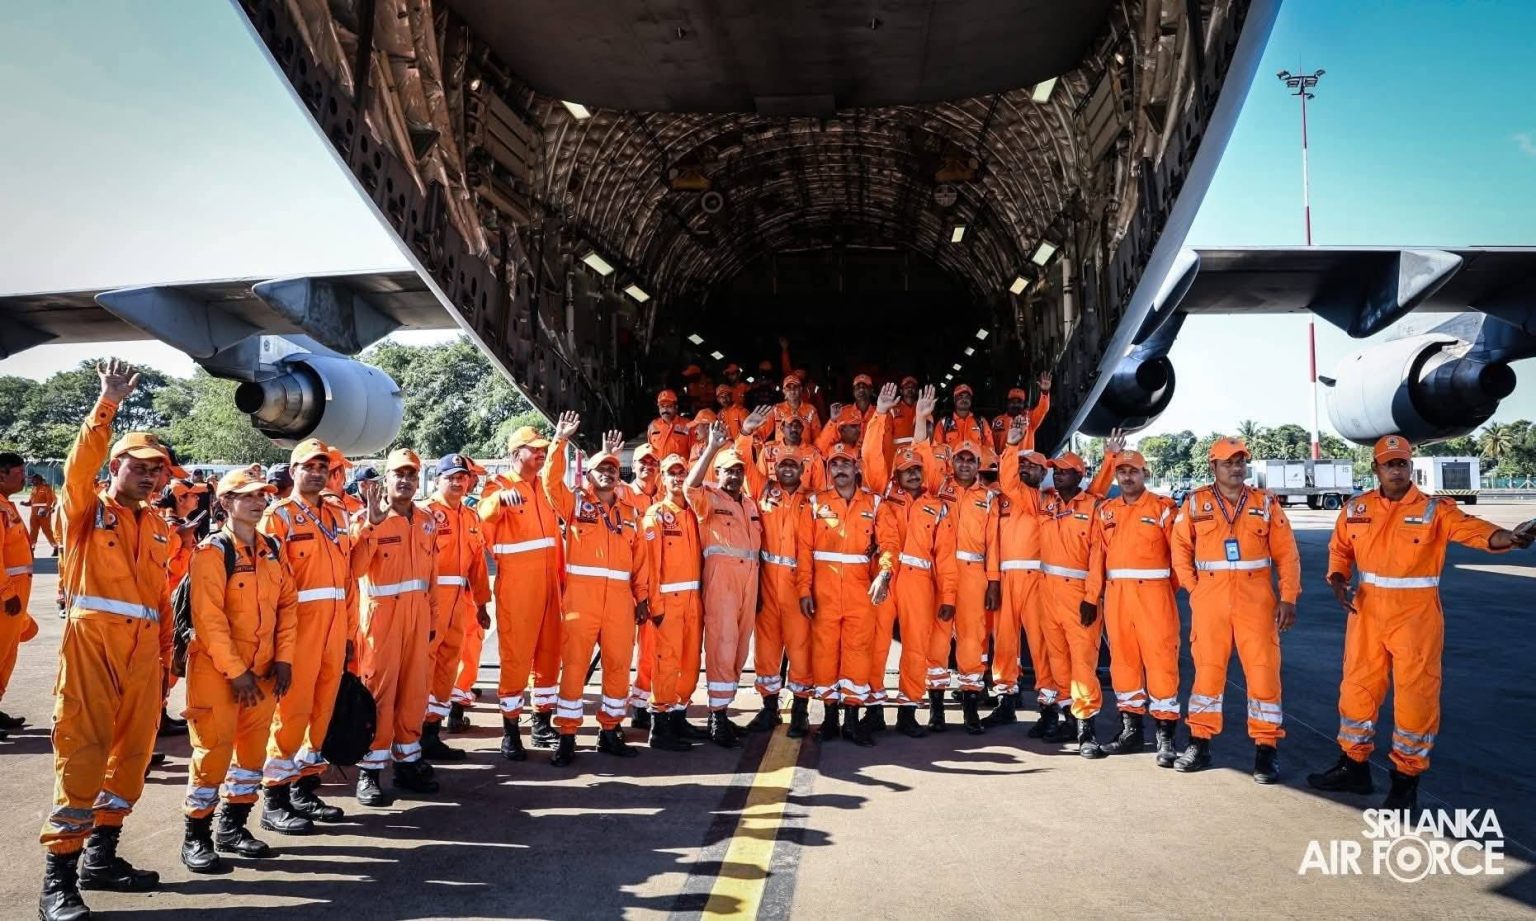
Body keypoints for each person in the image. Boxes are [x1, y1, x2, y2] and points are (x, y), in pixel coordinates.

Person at [1307, 435, 1534, 809]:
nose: (1396, 471)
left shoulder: (1435, 510)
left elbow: (1476, 531)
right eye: (1389, 464)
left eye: (1402, 463)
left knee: (1416, 697)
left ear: (1410, 467)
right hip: (1366, 614)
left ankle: (1405, 781)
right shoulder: (1356, 508)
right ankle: (1353, 767)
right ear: (1376, 468)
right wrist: (1337, 578)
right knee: (1357, 690)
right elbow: (1340, 550)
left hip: (1416, 617)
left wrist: (1509, 537)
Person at [39, 361, 173, 921]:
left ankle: (101, 856)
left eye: (157, 470)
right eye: (139, 467)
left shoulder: (158, 525)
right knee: (84, 752)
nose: (150, 476)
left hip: (143, 657)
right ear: (115, 466)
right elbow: (78, 469)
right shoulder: (86, 511)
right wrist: (107, 405)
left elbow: (160, 600)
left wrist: (165, 663)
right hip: (92, 647)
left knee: (133, 756)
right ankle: (59, 878)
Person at [178, 469, 297, 873]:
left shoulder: (271, 549)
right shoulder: (213, 552)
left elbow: (288, 607)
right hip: (218, 672)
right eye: (247, 496)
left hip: (262, 671)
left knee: (251, 753)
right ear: (225, 502)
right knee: (213, 752)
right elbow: (209, 619)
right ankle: (196, 835)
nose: (259, 501)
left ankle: (233, 826)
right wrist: (236, 671)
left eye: (262, 495)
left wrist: (284, 658)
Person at [1170, 436, 1300, 782]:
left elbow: (1287, 554)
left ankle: (1266, 749)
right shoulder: (1195, 503)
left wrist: (1288, 597)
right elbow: (1180, 549)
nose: (1236, 468)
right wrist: (1194, 589)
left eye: (1240, 461)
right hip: (1210, 598)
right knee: (1207, 672)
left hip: (1256, 599)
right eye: (1228, 462)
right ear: (1213, 466)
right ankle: (1199, 742)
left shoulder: (1265, 503)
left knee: (1263, 673)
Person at [542, 413, 650, 766]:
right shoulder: (576, 504)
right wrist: (559, 441)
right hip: (582, 601)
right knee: (574, 667)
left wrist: (642, 597)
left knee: (618, 667)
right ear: (589, 476)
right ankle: (567, 735)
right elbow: (550, 483)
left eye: (613, 469)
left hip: (620, 602)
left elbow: (641, 560)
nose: (608, 473)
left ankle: (610, 731)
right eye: (601, 469)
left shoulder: (631, 513)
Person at [259, 438, 353, 830]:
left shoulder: (337, 514)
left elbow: (348, 576)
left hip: (334, 628)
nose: (316, 473)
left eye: (322, 467)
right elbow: (267, 583)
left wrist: (349, 632)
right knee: (291, 712)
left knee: (321, 710)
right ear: (293, 471)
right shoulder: (277, 517)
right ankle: (275, 798)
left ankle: (305, 788)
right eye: (309, 466)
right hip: (298, 631)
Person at [864, 386, 959, 738]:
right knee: (876, 644)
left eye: (918, 470)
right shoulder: (884, 496)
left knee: (916, 647)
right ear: (897, 476)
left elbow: (945, 556)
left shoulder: (936, 506)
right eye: (907, 471)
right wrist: (879, 415)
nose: (915, 474)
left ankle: (908, 710)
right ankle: (873, 709)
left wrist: (948, 596)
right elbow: (871, 455)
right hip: (885, 575)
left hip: (919, 581)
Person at [1082, 445, 1183, 765]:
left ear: (1145, 474)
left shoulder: (1163, 508)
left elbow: (1179, 556)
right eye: (1122, 471)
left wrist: (1164, 590)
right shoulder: (1106, 511)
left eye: (1133, 471)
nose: (1127, 477)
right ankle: (1132, 730)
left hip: (1154, 596)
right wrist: (1091, 596)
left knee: (1161, 660)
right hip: (1117, 597)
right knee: (1123, 662)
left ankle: (1165, 735)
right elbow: (1097, 556)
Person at [351, 448, 441, 803]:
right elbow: (355, 569)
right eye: (398, 474)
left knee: (414, 693)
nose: (405, 480)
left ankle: (407, 762)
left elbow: (431, 576)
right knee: (379, 694)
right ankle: (370, 770)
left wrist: (432, 619)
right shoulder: (367, 518)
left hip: (418, 619)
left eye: (411, 475)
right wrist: (371, 526)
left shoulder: (427, 520)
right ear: (385, 479)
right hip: (381, 621)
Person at [914, 386, 1000, 734]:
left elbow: (994, 542)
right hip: (940, 573)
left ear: (978, 465)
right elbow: (922, 453)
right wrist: (921, 418)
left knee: (971, 639)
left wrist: (993, 582)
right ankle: (936, 710)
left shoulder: (988, 498)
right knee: (937, 638)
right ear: (952, 463)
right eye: (960, 459)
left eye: (970, 460)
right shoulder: (939, 488)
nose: (964, 464)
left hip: (974, 575)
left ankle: (970, 710)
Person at [478, 426, 564, 759]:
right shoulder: (499, 486)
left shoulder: (544, 487)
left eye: (544, 449)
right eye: (535, 449)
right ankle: (511, 731)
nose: (541, 454)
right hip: (517, 588)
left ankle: (541, 724)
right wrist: (499, 501)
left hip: (549, 585)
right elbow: (482, 514)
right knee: (516, 659)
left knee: (549, 656)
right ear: (516, 454)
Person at [1036, 439, 1120, 757]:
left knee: (1083, 663)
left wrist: (1091, 597)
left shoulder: (1093, 506)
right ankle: (1068, 718)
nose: (1058, 475)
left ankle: (1087, 729)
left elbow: (1098, 557)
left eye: (1065, 471)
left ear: (1079, 475)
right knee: (1058, 660)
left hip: (1079, 594)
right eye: (1056, 471)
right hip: (1048, 593)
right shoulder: (1047, 502)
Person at [796, 442, 881, 746]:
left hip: (861, 593)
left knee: (857, 653)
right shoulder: (816, 503)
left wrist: (884, 573)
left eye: (845, 463)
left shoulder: (874, 504)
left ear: (857, 467)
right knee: (825, 654)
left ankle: (852, 720)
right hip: (824, 594)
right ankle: (830, 718)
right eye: (834, 464)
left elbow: (890, 544)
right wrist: (804, 589)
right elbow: (804, 551)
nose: (840, 469)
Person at [687, 422, 764, 747]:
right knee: (722, 644)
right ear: (717, 473)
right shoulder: (709, 499)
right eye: (728, 471)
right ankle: (717, 717)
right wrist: (710, 448)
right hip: (722, 583)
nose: (734, 476)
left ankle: (723, 709)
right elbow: (690, 487)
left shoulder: (749, 503)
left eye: (738, 471)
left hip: (749, 582)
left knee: (740, 648)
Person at [418, 454, 492, 763]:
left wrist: (483, 604)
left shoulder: (471, 517)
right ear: (437, 480)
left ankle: (431, 732)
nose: (458, 482)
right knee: (423, 667)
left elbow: (477, 566)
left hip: (460, 602)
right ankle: (411, 734)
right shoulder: (424, 514)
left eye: (462, 477)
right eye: (451, 477)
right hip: (431, 600)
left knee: (448, 667)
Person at [743, 426, 816, 737]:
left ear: (802, 469)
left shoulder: (813, 500)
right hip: (768, 585)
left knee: (800, 648)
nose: (787, 469)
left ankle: (800, 711)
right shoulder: (763, 491)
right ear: (775, 467)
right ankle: (769, 708)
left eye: (793, 465)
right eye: (783, 464)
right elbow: (744, 462)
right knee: (767, 649)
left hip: (798, 585)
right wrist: (746, 434)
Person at [986, 419, 1053, 732]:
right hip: (1006, 577)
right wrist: (993, 580)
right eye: (1021, 465)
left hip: (1035, 579)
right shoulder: (1003, 501)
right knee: (1004, 642)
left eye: (1032, 466)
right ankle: (1006, 699)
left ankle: (1048, 706)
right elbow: (993, 543)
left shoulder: (1041, 499)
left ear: (1043, 472)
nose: (1025, 470)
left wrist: (1012, 446)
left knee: (1040, 643)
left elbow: (1009, 480)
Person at [640, 454, 704, 752]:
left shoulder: (693, 514)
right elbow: (650, 565)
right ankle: (660, 726)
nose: (678, 478)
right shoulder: (656, 515)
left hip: (693, 602)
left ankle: (679, 716)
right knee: (666, 664)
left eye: (682, 473)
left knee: (691, 663)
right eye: (672, 473)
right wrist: (655, 605)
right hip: (668, 603)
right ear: (662, 479)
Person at [0, 453, 38, 736]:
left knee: (7, 654)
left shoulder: (6, 506)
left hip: (16, 594)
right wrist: (6, 592)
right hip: (7, 596)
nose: (24, 478)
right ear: (1, 475)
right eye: (19, 473)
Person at [990, 374, 1053, 454]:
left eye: (1019, 402)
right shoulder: (997, 421)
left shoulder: (1030, 418)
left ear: (1024, 404)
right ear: (1007, 403)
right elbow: (991, 445)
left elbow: (1043, 409)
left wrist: (1045, 392)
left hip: (1025, 461)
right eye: (1013, 402)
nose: (1015, 405)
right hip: (1005, 460)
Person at [762, 374, 822, 445]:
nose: (792, 391)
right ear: (784, 391)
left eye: (795, 387)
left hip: (804, 450)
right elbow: (763, 431)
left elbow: (818, 436)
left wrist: (813, 451)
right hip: (782, 451)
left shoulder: (811, 410)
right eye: (788, 388)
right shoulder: (777, 409)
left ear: (800, 389)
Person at [936, 384, 989, 450]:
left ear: (971, 400)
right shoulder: (944, 423)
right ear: (954, 399)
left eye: (967, 397)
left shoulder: (981, 422)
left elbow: (989, 450)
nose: (964, 399)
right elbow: (937, 450)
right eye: (960, 396)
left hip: (976, 457)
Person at [646, 391, 692, 460]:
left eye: (669, 406)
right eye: (662, 406)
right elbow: (649, 450)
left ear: (676, 407)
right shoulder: (653, 426)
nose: (665, 410)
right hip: (659, 466)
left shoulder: (687, 425)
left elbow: (694, 451)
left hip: (680, 466)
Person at [25, 473, 59, 555]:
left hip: (43, 514)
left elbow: (51, 500)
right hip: (34, 514)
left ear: (39, 480)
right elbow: (31, 501)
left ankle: (55, 547)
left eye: (34, 480)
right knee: (33, 531)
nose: (32, 481)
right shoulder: (34, 488)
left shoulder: (46, 488)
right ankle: (31, 548)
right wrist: (25, 503)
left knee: (47, 531)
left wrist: (47, 510)